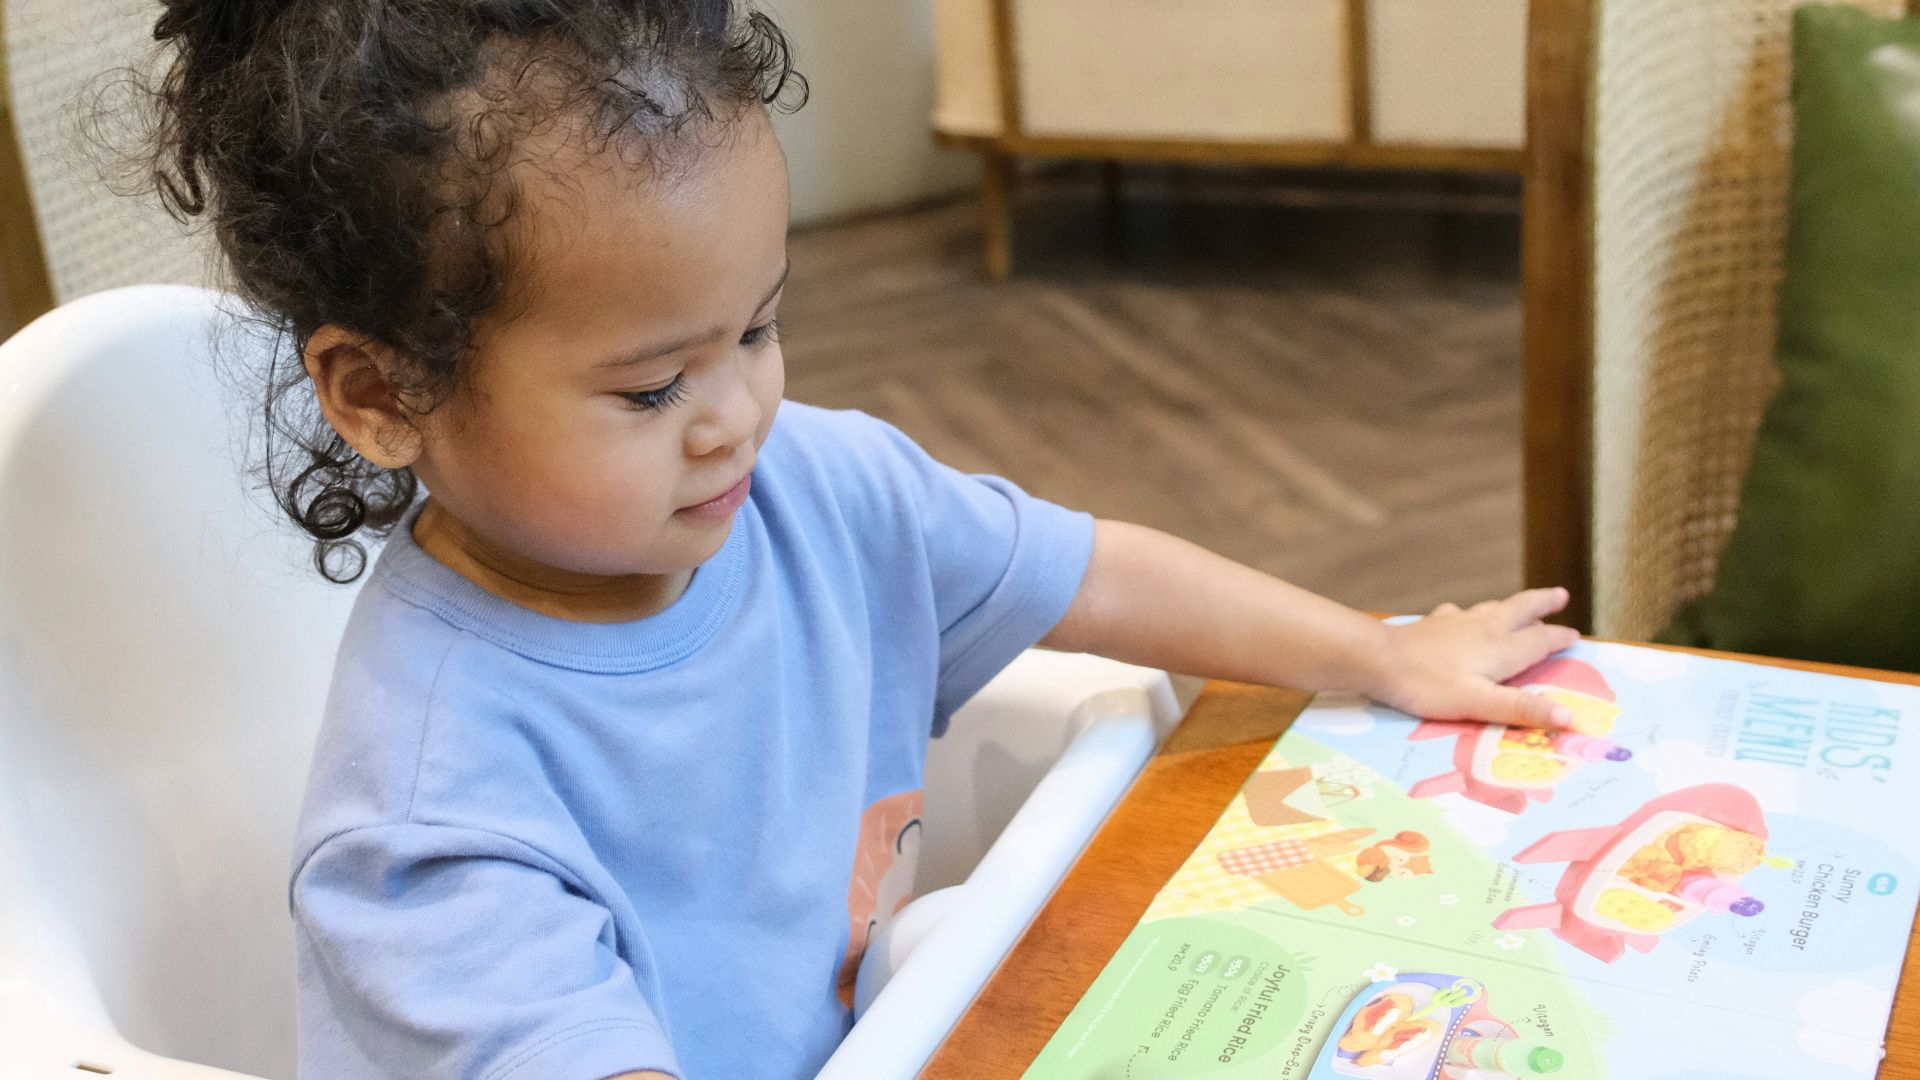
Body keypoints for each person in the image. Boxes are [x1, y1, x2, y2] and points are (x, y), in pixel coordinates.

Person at [132, 2, 1579, 1076]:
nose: (737, 415)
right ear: (383, 394)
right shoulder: (432, 814)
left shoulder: (816, 487)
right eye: (651, 388)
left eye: (758, 326)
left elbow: (1097, 570)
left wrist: (1378, 654)